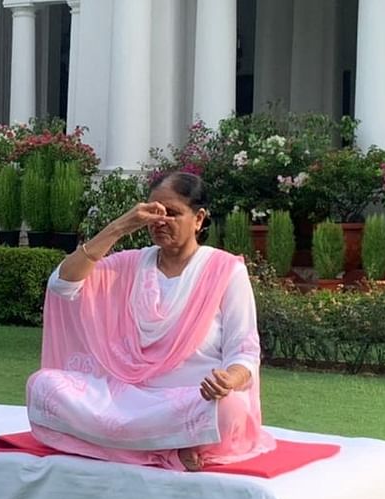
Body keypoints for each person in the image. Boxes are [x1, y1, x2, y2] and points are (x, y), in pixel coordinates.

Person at [26, 171, 274, 471]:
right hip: (125, 397)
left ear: (199, 218)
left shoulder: (224, 270)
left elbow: (244, 352)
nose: (160, 221)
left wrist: (229, 380)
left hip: (190, 399)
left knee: (230, 408)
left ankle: (127, 445)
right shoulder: (129, 264)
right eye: (153, 212)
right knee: (43, 387)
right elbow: (62, 284)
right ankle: (164, 453)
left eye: (172, 213)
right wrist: (119, 227)